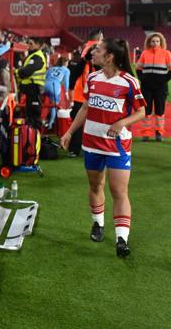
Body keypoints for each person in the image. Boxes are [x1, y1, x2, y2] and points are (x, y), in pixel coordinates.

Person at [61, 39, 146, 258]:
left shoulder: (129, 82)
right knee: (95, 185)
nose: (92, 53)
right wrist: (70, 131)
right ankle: (98, 224)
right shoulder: (91, 78)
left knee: (119, 191)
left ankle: (121, 239)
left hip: (117, 146)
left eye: (97, 50)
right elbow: (86, 108)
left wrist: (121, 123)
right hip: (91, 143)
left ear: (109, 57)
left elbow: (141, 112)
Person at [69, 29, 103, 156]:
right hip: (88, 93)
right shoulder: (92, 49)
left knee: (79, 121)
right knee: (94, 121)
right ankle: (93, 148)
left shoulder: (84, 49)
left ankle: (75, 149)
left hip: (83, 93)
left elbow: (75, 72)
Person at [136, 32, 171, 141]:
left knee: (160, 111)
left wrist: (163, 80)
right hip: (146, 87)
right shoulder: (144, 53)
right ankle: (145, 134)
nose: (155, 43)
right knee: (147, 110)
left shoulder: (167, 53)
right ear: (149, 42)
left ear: (161, 42)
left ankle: (159, 133)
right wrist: (142, 79)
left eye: (157, 41)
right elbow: (138, 68)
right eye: (153, 41)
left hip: (161, 87)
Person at [15, 37, 48, 127]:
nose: (28, 46)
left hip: (34, 89)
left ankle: (34, 137)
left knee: (34, 116)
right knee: (30, 115)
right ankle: (30, 137)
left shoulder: (37, 57)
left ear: (38, 45)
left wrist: (19, 71)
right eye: (28, 43)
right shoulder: (32, 56)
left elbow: (25, 71)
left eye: (31, 44)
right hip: (31, 90)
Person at [44, 56, 71, 129]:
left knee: (43, 105)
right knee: (54, 106)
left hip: (44, 85)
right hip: (54, 86)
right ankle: (50, 125)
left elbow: (45, 77)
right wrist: (66, 91)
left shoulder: (51, 68)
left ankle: (42, 120)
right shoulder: (66, 70)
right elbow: (66, 82)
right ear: (65, 62)